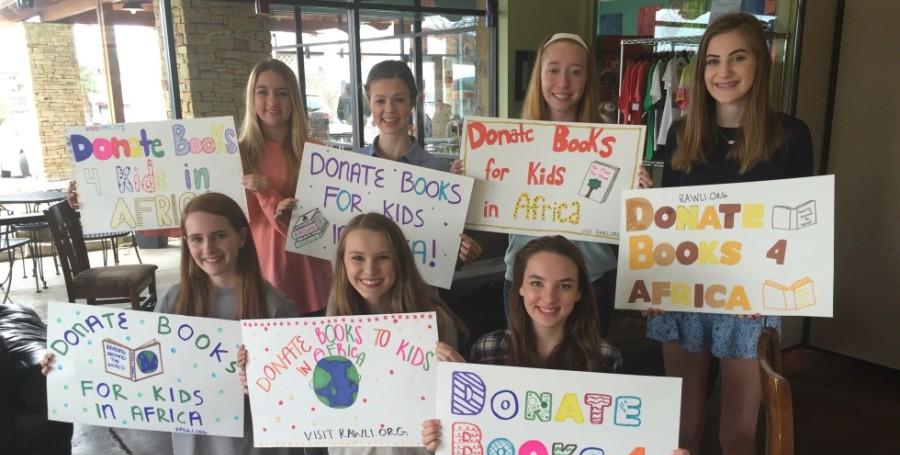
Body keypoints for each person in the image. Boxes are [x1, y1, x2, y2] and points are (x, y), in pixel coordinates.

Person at [41, 193, 296, 455]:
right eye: (196, 238)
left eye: (219, 235)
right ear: (186, 242)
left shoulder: (274, 306)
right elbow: (131, 360)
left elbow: (293, 393)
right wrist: (66, 365)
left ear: (241, 236)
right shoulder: (175, 301)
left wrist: (261, 380)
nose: (208, 247)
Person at [644, 13, 813, 455]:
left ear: (759, 64)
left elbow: (802, 225)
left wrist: (774, 288)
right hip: (683, 300)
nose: (724, 70)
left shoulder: (790, 136)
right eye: (713, 60)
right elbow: (666, 225)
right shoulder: (681, 133)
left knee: (737, 434)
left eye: (737, 57)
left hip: (751, 303)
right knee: (685, 429)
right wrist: (650, 281)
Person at [421, 235, 692, 455]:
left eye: (563, 285)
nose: (548, 297)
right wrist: (440, 434)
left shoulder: (604, 358)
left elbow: (619, 442)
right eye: (536, 282)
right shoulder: (487, 352)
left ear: (579, 293)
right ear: (518, 285)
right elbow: (471, 438)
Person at [495, 33, 653, 335]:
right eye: (553, 69)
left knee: (590, 373)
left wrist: (639, 195)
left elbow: (630, 222)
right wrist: (466, 180)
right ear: (539, 74)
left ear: (588, 80)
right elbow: (489, 207)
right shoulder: (508, 141)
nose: (563, 83)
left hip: (592, 281)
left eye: (575, 72)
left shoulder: (615, 144)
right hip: (526, 284)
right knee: (528, 371)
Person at [327, 212, 467, 455]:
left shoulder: (435, 322)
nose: (370, 270)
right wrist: (257, 375)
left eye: (382, 258)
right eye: (357, 258)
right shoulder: (332, 322)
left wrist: (461, 381)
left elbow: (454, 412)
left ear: (400, 261)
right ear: (343, 262)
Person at [360, 60, 482, 266]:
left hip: (420, 291)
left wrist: (462, 253)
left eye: (399, 99)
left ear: (412, 103)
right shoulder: (351, 168)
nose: (389, 109)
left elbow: (445, 247)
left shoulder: (440, 172)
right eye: (380, 101)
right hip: (365, 289)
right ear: (369, 102)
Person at [239, 58, 333, 316]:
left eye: (282, 93)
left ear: (294, 99)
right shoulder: (236, 154)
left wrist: (267, 194)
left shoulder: (315, 152)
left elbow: (323, 224)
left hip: (310, 274)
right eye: (263, 92)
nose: (273, 101)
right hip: (260, 271)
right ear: (251, 98)